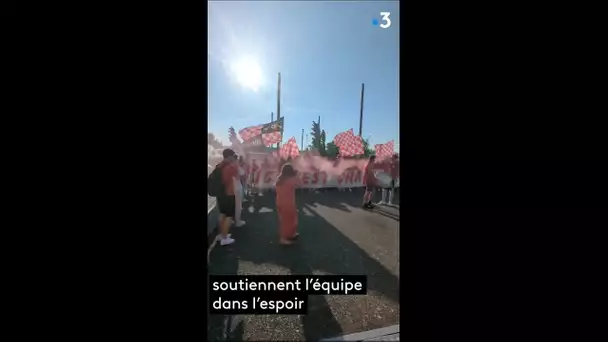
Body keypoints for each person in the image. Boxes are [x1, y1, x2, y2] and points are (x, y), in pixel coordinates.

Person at [215, 149, 238, 246]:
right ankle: (224, 238)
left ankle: (221, 234)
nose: (234, 157)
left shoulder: (219, 165)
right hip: (228, 194)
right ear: (228, 157)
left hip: (220, 194)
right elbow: (239, 174)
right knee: (229, 216)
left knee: (222, 214)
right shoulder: (230, 167)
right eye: (233, 156)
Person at [275, 163, 301, 245]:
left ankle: (291, 234)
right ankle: (283, 238)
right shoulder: (291, 179)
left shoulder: (279, 178)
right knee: (289, 221)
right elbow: (300, 184)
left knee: (287, 220)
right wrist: (297, 175)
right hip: (288, 203)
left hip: (280, 202)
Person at [233, 155, 247, 227]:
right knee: (238, 206)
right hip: (237, 188)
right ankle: (237, 221)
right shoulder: (236, 166)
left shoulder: (226, 166)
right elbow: (242, 173)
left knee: (232, 205)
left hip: (229, 189)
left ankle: (233, 219)